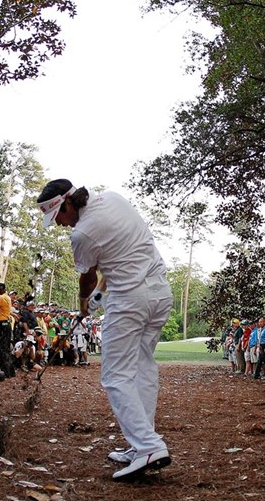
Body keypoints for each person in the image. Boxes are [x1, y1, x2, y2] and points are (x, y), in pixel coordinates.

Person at [38, 179, 171, 481]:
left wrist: (85, 300)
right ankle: (140, 443)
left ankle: (149, 446)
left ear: (68, 204)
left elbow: (87, 277)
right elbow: (120, 255)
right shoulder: (113, 199)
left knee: (115, 376)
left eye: (58, 216)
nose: (59, 224)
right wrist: (99, 294)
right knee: (142, 368)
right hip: (160, 293)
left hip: (130, 302)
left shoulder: (82, 233)